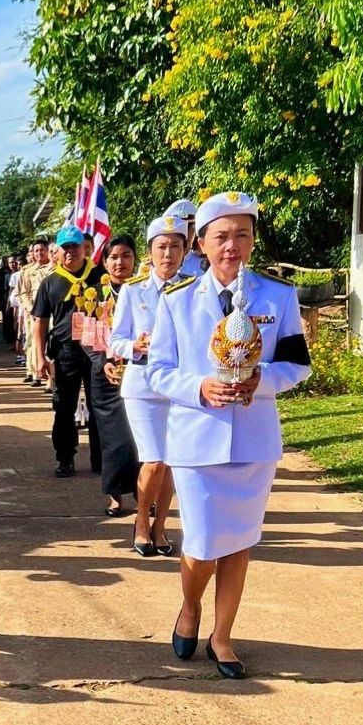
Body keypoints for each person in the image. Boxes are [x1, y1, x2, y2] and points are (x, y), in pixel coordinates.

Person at [148, 191, 312, 679]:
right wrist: (198, 386)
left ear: (253, 240)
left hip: (253, 440)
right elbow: (157, 371)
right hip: (197, 441)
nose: (232, 246)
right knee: (200, 543)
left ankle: (222, 636)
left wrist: (265, 379)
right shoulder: (177, 303)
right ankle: (190, 606)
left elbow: (297, 365)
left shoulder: (277, 297)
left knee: (239, 542)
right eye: (221, 236)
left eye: (242, 234)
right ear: (201, 242)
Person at [106, 215, 188, 556]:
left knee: (171, 461)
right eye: (161, 247)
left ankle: (160, 525)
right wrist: (133, 347)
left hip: (181, 386)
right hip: (142, 385)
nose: (168, 254)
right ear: (150, 254)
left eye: (175, 247)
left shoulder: (195, 288)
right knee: (153, 459)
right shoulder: (133, 290)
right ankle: (141, 519)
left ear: (185, 251)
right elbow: (116, 339)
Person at [31, 226, 103, 478]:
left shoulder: (100, 276)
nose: (71, 251)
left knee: (100, 406)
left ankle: (100, 458)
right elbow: (39, 321)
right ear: (58, 252)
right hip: (65, 352)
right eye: (66, 247)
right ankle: (65, 458)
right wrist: (39, 356)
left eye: (75, 246)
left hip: (97, 350)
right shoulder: (50, 282)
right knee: (64, 407)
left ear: (85, 248)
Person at [85, 233, 141, 515]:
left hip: (141, 372)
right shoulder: (91, 294)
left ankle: (146, 494)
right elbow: (83, 337)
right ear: (105, 262)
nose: (120, 262)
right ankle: (116, 495)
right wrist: (102, 361)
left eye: (126, 256)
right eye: (114, 257)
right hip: (106, 377)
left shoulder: (145, 291)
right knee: (114, 439)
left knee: (142, 437)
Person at [16, 238, 52, 385]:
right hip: (34, 313)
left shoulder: (55, 268)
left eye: (42, 250)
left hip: (52, 312)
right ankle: (35, 373)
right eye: (36, 251)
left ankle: (51, 378)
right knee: (33, 342)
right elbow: (23, 293)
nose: (39, 253)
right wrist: (32, 309)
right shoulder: (27, 271)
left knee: (51, 343)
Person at [166, 199, 206, 278]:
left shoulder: (205, 264)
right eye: (179, 228)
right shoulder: (155, 264)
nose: (185, 233)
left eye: (189, 227)